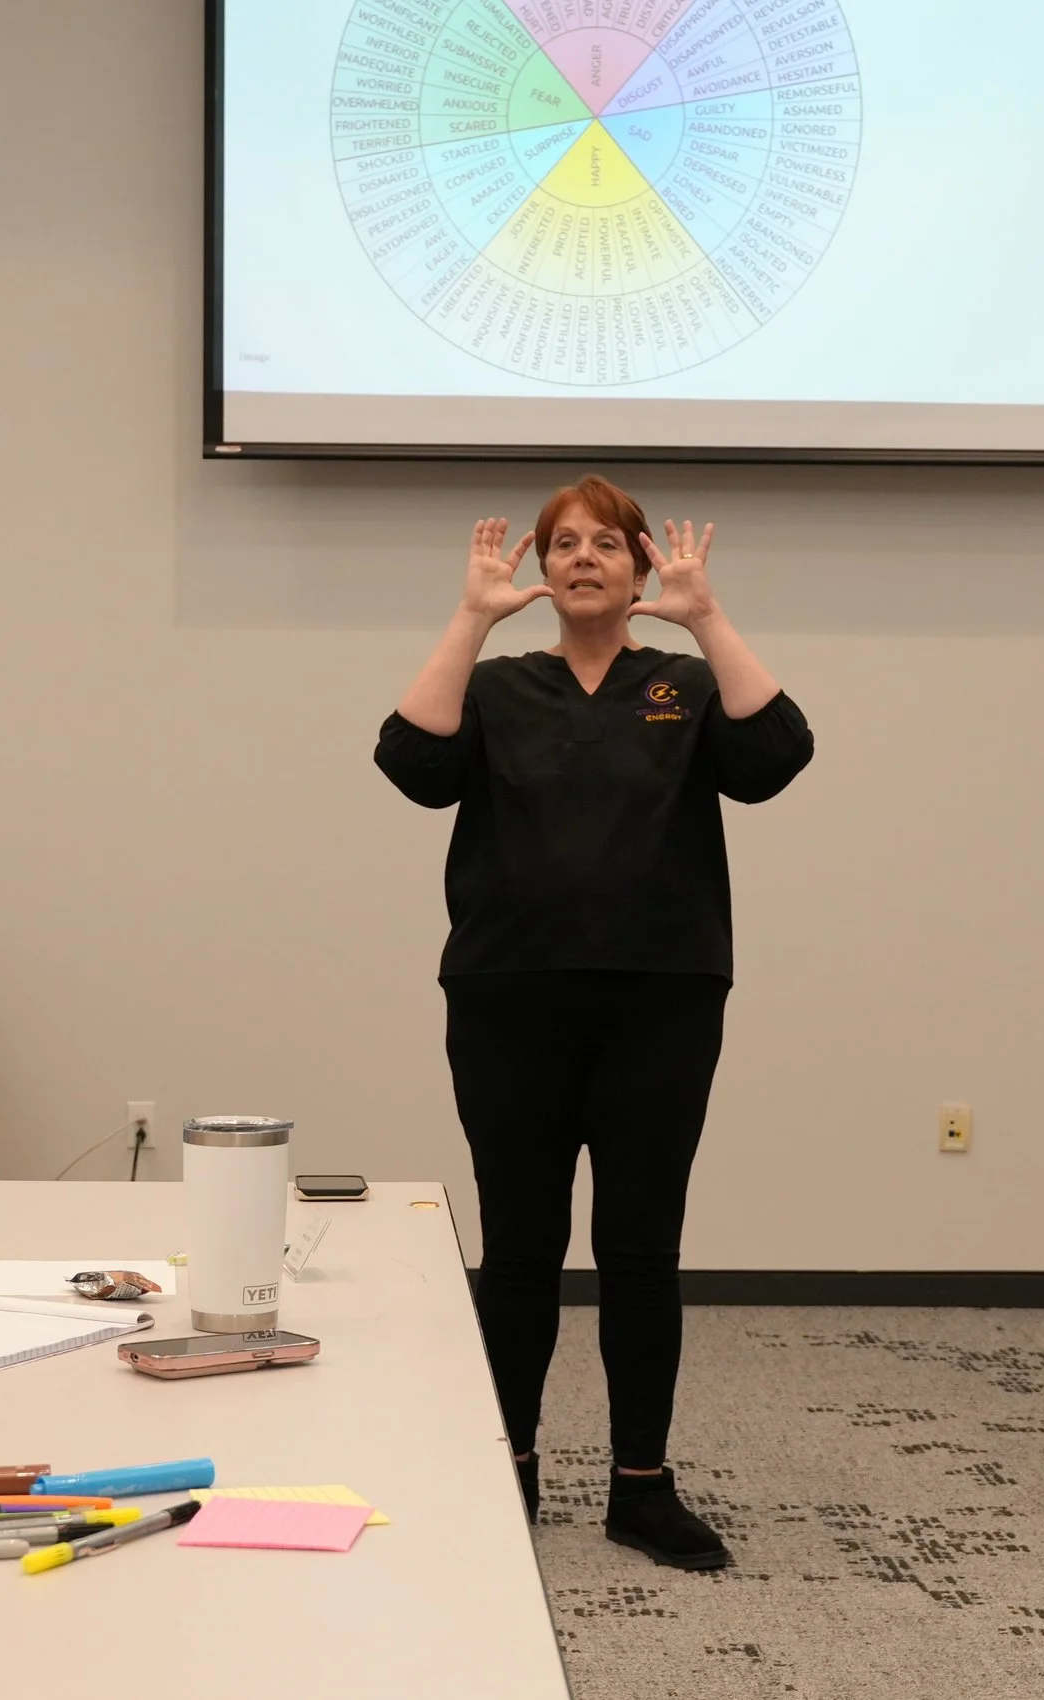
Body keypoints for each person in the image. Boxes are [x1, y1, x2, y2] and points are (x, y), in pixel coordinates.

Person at [374, 476, 813, 1571]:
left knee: (640, 1246)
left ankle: (640, 1488)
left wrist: (707, 615)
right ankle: (507, 1470)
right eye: (562, 543)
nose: (583, 558)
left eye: (607, 544)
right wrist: (470, 615)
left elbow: (777, 758)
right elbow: (411, 764)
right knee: (519, 1249)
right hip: (506, 998)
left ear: (637, 566)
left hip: (662, 1000)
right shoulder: (496, 683)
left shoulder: (684, 682)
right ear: (538, 566)